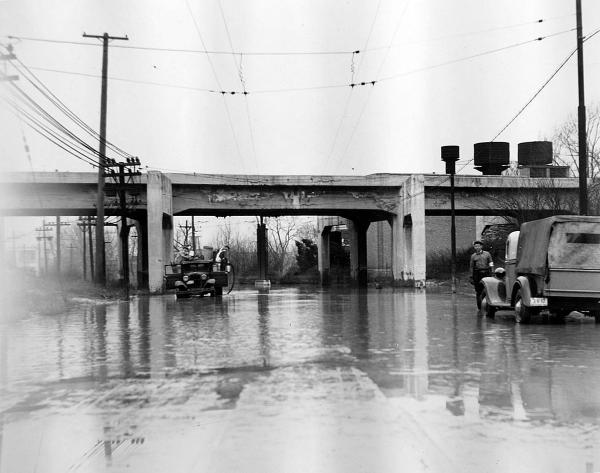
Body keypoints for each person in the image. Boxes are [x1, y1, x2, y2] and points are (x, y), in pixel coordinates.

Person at [470, 240, 494, 309]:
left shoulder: (487, 254)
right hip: (477, 274)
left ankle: (488, 305)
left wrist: (492, 272)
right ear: (474, 247)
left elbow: (491, 263)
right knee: (478, 291)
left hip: (486, 273)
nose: (477, 247)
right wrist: (471, 277)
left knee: (487, 289)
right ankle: (479, 306)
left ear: (481, 246)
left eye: (478, 246)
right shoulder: (473, 256)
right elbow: (471, 267)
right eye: (475, 246)